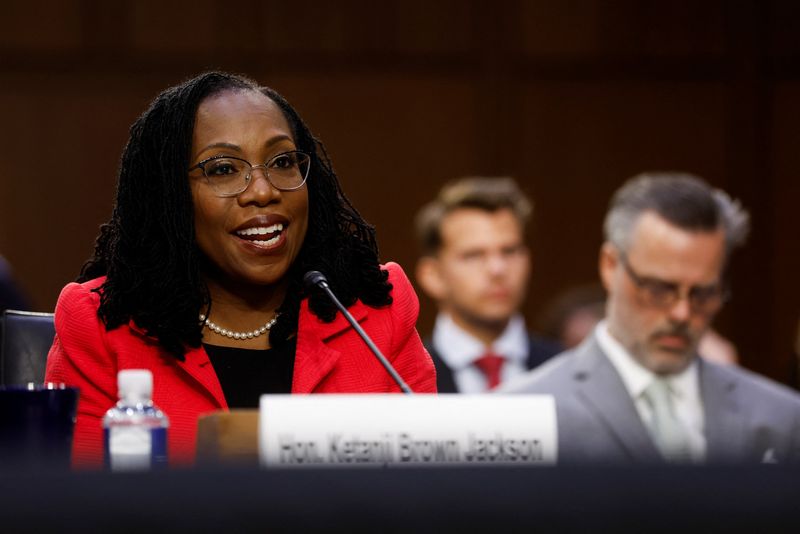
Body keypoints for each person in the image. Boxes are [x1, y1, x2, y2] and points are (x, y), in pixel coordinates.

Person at [45, 72, 436, 468]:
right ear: (171, 196)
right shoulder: (99, 325)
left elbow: (435, 480)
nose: (263, 191)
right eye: (222, 169)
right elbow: (79, 502)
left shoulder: (373, 309)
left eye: (282, 161)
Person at [502, 172, 800, 464]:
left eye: (703, 294)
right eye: (659, 289)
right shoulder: (519, 416)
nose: (681, 313)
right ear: (610, 266)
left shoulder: (782, 421)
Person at [414, 177, 560, 393]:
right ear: (433, 276)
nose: (497, 269)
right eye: (473, 255)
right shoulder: (402, 379)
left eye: (509, 251)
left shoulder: (563, 369)